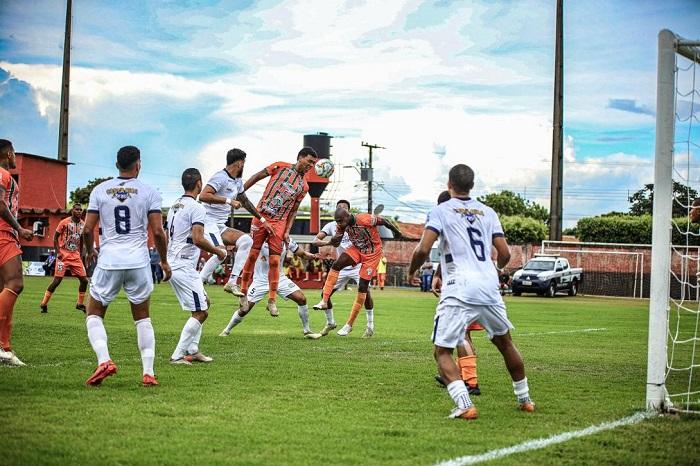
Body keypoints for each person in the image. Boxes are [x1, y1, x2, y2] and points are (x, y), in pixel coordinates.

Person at [407, 164, 534, 420]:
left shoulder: (440, 211)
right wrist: (491, 269)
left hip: (459, 288)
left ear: (448, 184)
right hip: (488, 286)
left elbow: (423, 249)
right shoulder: (488, 212)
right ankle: (525, 399)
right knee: (505, 342)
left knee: (442, 350)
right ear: (472, 186)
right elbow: (506, 254)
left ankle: (464, 404)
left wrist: (412, 272)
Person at [82, 145, 171, 387]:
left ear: (116, 165)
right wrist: (163, 261)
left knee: (94, 314)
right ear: (138, 164)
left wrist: (90, 251)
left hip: (109, 260)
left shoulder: (99, 190)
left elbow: (88, 229)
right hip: (138, 261)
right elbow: (158, 232)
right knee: (142, 318)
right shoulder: (149, 192)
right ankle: (148, 372)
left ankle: (104, 360)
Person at [238, 147, 318, 317]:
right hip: (260, 215)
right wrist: (240, 191)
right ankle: (243, 294)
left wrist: (287, 231)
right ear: (300, 157)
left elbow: (294, 210)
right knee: (252, 256)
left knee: (275, 261)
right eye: (309, 161)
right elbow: (257, 176)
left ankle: (272, 301)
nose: (311, 165)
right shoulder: (279, 166)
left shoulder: (304, 186)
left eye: (313, 163)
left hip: (279, 223)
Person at [166, 168, 228, 365]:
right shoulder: (197, 207)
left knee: (205, 303)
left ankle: (193, 349)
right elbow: (198, 238)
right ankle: (177, 355)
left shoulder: (174, 206)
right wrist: (217, 251)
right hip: (183, 265)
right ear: (199, 184)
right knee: (201, 312)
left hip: (175, 262)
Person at [313, 207, 402, 337]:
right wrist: (332, 241)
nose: (338, 224)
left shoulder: (364, 219)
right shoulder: (341, 226)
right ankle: (324, 300)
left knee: (363, 288)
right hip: (357, 249)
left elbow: (385, 221)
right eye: (336, 222)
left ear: (347, 216)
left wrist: (396, 232)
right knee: (337, 264)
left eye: (340, 221)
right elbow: (336, 243)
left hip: (372, 253)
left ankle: (349, 325)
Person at [198, 148, 271, 295]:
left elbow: (245, 201)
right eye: (243, 162)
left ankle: (232, 282)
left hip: (220, 225)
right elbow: (203, 196)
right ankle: (198, 284)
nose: (244, 166)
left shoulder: (237, 182)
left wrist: (262, 219)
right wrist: (229, 201)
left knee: (246, 241)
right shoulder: (220, 177)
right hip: (208, 222)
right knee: (221, 253)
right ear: (239, 163)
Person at [431, 190, 482, 396]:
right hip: (477, 283)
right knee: (464, 333)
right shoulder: (472, 219)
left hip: (462, 285)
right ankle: (458, 375)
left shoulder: (449, 222)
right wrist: (437, 273)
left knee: (459, 334)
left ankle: (470, 382)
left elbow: (449, 251)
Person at [220, 238, 323, 339]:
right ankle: (226, 330)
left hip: (280, 278)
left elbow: (303, 254)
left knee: (301, 299)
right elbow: (242, 246)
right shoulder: (257, 238)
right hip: (261, 281)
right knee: (244, 309)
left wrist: (313, 256)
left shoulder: (286, 240)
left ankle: (307, 331)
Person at [312, 200, 372, 336]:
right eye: (339, 208)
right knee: (325, 295)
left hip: (358, 265)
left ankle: (369, 325)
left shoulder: (356, 223)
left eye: (344, 208)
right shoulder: (331, 225)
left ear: (348, 212)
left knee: (366, 293)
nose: (341, 209)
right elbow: (315, 241)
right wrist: (329, 242)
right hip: (341, 267)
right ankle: (330, 323)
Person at [0, 139, 34, 366]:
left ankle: (5, 348)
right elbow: (0, 204)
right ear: (9, 153)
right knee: (15, 283)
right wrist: (19, 228)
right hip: (3, 234)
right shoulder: (2, 174)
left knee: (4, 288)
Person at [39, 203, 89, 314]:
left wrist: (81, 254)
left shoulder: (82, 224)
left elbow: (81, 239)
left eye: (81, 210)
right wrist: (58, 252)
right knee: (57, 281)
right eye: (77, 210)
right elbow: (55, 237)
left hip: (75, 256)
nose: (79, 211)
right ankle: (44, 303)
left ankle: (80, 304)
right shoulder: (64, 222)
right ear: (72, 211)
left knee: (84, 281)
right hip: (63, 255)